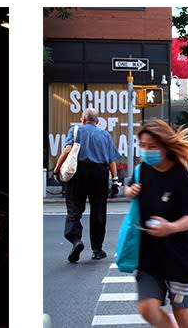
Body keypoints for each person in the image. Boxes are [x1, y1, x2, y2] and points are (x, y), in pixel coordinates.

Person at [123, 119, 188, 328]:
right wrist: (129, 191)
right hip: (150, 255)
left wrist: (170, 227)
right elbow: (128, 187)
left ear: (165, 146)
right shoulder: (142, 170)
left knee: (181, 311)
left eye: (152, 146)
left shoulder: (181, 176)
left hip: (182, 255)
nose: (146, 150)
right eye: (142, 145)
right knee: (147, 308)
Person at [51, 107, 119, 263]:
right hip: (100, 173)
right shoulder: (105, 135)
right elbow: (111, 160)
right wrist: (114, 180)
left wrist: (56, 170)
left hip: (79, 172)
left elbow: (67, 151)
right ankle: (97, 250)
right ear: (97, 121)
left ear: (83, 119)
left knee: (74, 207)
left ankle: (76, 240)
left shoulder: (76, 130)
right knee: (98, 211)